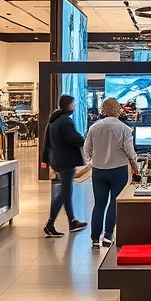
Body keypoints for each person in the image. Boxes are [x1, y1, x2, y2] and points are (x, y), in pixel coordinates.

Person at [84, 98, 138, 249]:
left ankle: (95, 239)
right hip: (118, 170)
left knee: (99, 204)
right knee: (114, 202)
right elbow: (130, 152)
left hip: (98, 171)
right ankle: (108, 236)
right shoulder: (124, 129)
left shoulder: (94, 128)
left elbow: (86, 150)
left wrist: (95, 159)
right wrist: (135, 165)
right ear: (118, 110)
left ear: (103, 109)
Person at [40, 95, 88, 237]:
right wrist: (86, 139)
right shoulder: (65, 121)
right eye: (72, 103)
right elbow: (73, 139)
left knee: (67, 191)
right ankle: (50, 223)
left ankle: (72, 221)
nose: (74, 106)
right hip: (66, 161)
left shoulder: (53, 121)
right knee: (64, 192)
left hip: (57, 160)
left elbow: (46, 142)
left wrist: (45, 159)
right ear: (67, 105)